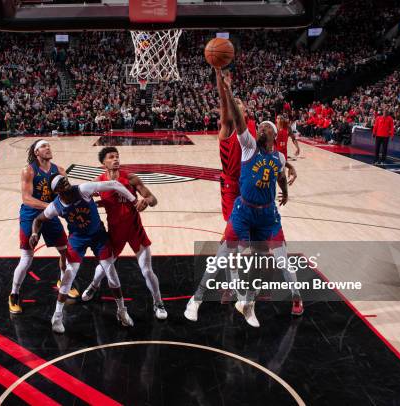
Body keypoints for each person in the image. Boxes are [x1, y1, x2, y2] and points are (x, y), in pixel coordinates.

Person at [185, 68, 302, 326]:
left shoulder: (256, 130)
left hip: (255, 195)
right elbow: (229, 111)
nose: (235, 106)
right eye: (232, 104)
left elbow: (275, 158)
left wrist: (286, 168)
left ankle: (250, 291)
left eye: (239, 103)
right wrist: (223, 85)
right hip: (233, 189)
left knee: (259, 248)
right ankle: (229, 287)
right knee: (232, 245)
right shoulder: (232, 126)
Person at [31, 175, 137, 333]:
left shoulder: (83, 189)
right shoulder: (56, 206)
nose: (65, 181)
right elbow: (38, 220)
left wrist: (133, 200)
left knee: (111, 272)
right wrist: (34, 234)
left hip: (98, 236)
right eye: (61, 182)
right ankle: (57, 316)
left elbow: (114, 184)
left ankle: (121, 310)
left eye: (65, 179)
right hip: (77, 239)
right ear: (57, 190)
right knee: (68, 275)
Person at [81, 147, 167, 320]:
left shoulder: (131, 178)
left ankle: (158, 302)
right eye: (111, 157)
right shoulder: (98, 182)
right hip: (114, 233)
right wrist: (96, 205)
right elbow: (85, 199)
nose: (116, 159)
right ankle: (94, 285)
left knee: (147, 270)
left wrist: (146, 201)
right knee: (105, 266)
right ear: (103, 163)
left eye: (117, 156)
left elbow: (153, 199)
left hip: (135, 230)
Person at [8, 139, 78, 314]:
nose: (48, 148)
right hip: (31, 215)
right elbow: (26, 198)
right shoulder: (29, 170)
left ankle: (63, 282)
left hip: (50, 214)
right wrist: (52, 207)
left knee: (65, 251)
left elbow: (66, 194)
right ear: (36, 152)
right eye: (43, 146)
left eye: (48, 145)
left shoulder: (60, 171)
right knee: (26, 259)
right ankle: (14, 294)